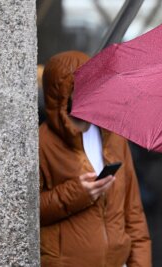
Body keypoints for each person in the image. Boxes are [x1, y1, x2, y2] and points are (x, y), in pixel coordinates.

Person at [39, 51, 151, 267]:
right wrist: (76, 193)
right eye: (81, 83)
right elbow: (25, 212)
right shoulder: (41, 143)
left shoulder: (113, 136)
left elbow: (133, 211)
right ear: (60, 91)